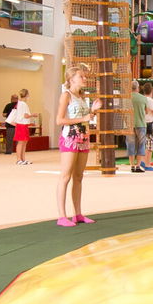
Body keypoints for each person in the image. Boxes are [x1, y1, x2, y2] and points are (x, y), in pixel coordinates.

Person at [54, 65, 100, 225]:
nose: (85, 78)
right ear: (71, 79)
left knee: (79, 177)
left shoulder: (81, 96)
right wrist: (85, 118)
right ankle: (62, 216)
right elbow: (59, 120)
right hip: (70, 138)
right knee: (65, 176)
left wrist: (93, 112)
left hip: (83, 138)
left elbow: (84, 117)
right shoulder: (66, 95)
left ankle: (78, 214)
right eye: (81, 76)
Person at [127, 80, 151, 172]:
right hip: (141, 124)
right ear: (137, 87)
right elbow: (147, 111)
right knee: (141, 145)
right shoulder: (143, 98)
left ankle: (132, 166)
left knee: (130, 144)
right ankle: (138, 165)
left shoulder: (127, 98)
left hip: (129, 124)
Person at [6, 88, 34, 165]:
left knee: (24, 143)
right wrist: (33, 115)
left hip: (23, 125)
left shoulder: (20, 103)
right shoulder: (23, 104)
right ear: (27, 95)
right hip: (22, 125)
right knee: (21, 143)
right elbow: (25, 115)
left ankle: (23, 159)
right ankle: (19, 159)